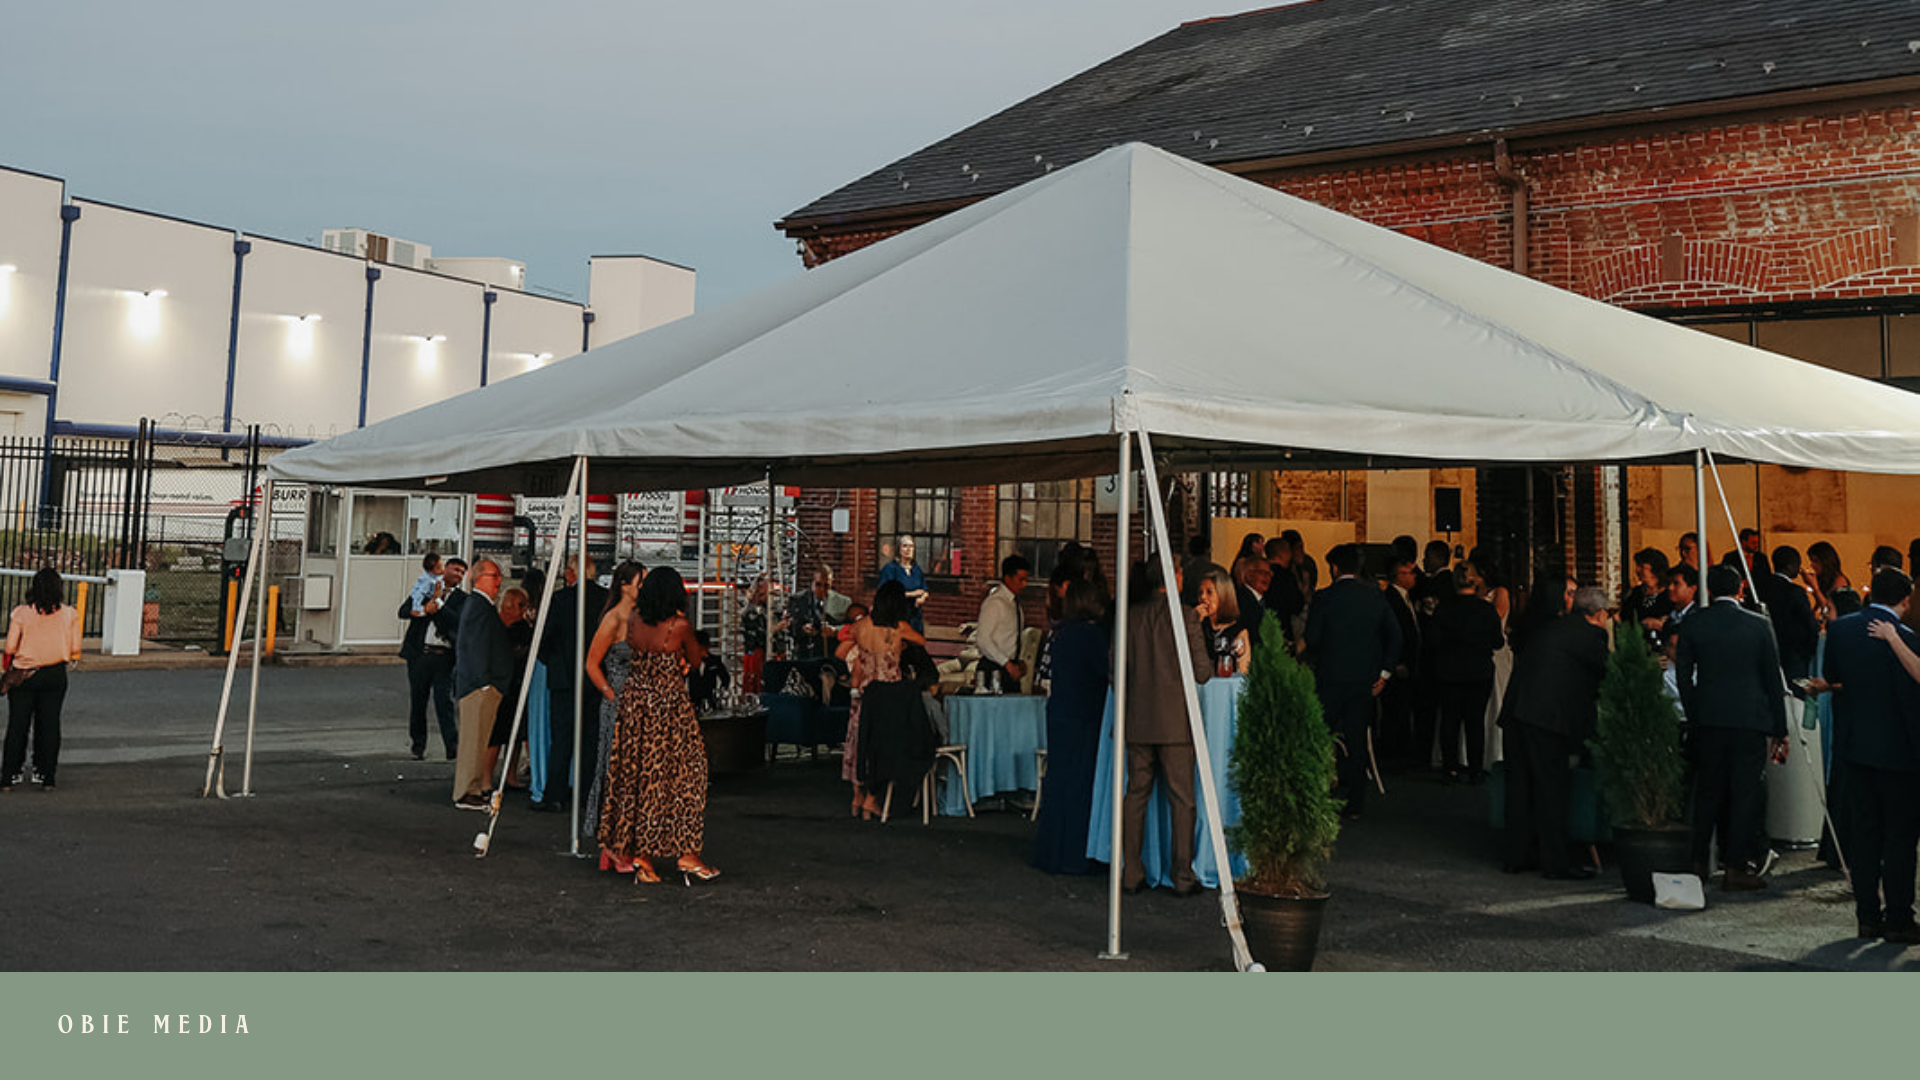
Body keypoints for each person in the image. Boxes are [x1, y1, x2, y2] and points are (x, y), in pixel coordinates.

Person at [598, 566, 720, 885]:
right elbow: (695, 660)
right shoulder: (678, 625)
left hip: (635, 705)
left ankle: (641, 852)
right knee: (688, 775)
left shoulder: (633, 621)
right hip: (668, 708)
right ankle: (685, 852)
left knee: (640, 779)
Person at [1816, 569, 1920, 942]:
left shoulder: (1840, 631)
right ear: (1904, 600)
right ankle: (1898, 917)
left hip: (1855, 749)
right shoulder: (1909, 639)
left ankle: (1866, 916)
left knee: (1864, 837)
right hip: (1900, 755)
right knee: (1899, 839)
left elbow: (1833, 676)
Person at [1675, 565, 1788, 891]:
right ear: (1740, 589)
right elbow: (1772, 680)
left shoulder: (1695, 622)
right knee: (1744, 794)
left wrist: (1695, 710)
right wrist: (1779, 729)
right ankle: (1736, 865)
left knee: (1707, 792)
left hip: (1709, 717)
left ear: (1708, 590)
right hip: (1750, 720)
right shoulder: (1758, 625)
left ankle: (1698, 861)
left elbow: (1684, 674)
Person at [1500, 587, 1612, 879]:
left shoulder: (1552, 627)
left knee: (1520, 786)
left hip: (1517, 711)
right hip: (1547, 718)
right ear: (1599, 614)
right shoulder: (1592, 636)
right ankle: (1555, 861)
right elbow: (1606, 676)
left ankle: (1516, 855)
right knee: (1551, 789)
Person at [1120, 559, 1213, 895]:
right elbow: (1202, 671)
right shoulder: (1186, 616)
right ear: (1173, 577)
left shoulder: (1130, 616)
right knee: (1182, 799)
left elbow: (1117, 673)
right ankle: (1182, 875)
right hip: (1176, 722)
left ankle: (1132, 871)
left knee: (1136, 795)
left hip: (1138, 718)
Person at [1303, 543, 1401, 820]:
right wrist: (1384, 673)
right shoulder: (1374, 597)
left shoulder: (1325, 597)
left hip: (1329, 679)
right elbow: (1395, 636)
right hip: (1364, 681)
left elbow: (1312, 638)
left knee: (1320, 738)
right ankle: (1355, 804)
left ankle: (1317, 797)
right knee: (1358, 742)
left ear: (1334, 568)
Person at [1032, 579, 1110, 875]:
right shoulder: (1092, 636)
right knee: (1080, 785)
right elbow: (1107, 670)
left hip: (1061, 713)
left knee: (1059, 782)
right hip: (1083, 715)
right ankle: (1076, 855)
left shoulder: (1062, 635)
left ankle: (1052, 852)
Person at [838, 581, 926, 820]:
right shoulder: (899, 628)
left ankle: (857, 796)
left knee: (858, 743)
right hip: (890, 695)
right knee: (883, 747)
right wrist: (902, 645)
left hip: (865, 692)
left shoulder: (860, 627)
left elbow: (842, 650)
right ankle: (872, 800)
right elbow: (922, 641)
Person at [535, 554, 608, 815]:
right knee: (591, 740)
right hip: (596, 679)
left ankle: (554, 794)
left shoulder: (560, 599)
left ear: (573, 573)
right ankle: (588, 795)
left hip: (564, 680)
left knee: (561, 739)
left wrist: (552, 662)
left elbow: (545, 638)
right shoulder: (605, 599)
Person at [580, 561, 645, 850]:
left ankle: (629, 833)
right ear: (625, 585)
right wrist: (609, 692)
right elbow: (591, 663)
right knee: (612, 765)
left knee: (635, 768)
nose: (643, 588)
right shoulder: (613, 619)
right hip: (618, 698)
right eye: (639, 582)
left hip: (639, 699)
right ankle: (608, 833)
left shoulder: (641, 616)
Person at [1, 568, 81, 792]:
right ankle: (46, 775)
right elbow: (75, 650)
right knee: (49, 725)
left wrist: (7, 669)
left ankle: (10, 775)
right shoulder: (70, 614)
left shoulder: (21, 613)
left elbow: (10, 647)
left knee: (18, 725)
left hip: (24, 673)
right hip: (55, 674)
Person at [1429, 566, 1505, 784]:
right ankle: (1475, 768)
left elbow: (1434, 640)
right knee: (1475, 722)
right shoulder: (1486, 610)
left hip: (1449, 670)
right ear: (1475, 582)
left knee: (1450, 720)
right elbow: (1497, 642)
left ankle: (1450, 767)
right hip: (1478, 671)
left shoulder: (1444, 610)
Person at [452, 559, 512, 811]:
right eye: (494, 575)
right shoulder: (478, 606)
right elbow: (475, 647)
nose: (498, 581)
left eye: (499, 576)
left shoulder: (480, 605)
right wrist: (484, 682)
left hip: (483, 684)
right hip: (479, 686)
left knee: (480, 739)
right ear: (479, 578)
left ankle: (473, 788)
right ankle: (466, 791)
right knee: (473, 741)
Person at [399, 556, 465, 761]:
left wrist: (438, 605)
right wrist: (424, 609)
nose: (458, 575)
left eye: (462, 572)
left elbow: (456, 622)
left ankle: (452, 745)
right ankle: (418, 744)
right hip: (420, 653)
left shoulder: (462, 599)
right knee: (418, 700)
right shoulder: (425, 587)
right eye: (455, 569)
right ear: (444, 570)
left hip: (444, 656)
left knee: (444, 702)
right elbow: (403, 611)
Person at [484, 587, 534, 792]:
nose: (524, 610)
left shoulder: (524, 628)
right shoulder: (494, 626)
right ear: (508, 605)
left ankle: (510, 775)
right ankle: (486, 778)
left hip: (517, 685)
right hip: (499, 684)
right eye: (521, 605)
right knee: (495, 735)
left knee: (515, 733)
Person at [1379, 557, 1422, 768]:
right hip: (1398, 664)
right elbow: (1393, 634)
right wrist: (1396, 662)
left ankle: (1399, 751)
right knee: (1395, 710)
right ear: (1400, 576)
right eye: (1410, 572)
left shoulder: (1405, 598)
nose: (1414, 577)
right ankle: (1393, 754)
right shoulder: (1392, 599)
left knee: (1401, 708)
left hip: (1407, 663)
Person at [1756, 546, 1818, 682]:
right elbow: (1809, 622)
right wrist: (1809, 650)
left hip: (1765, 650)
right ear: (1790, 566)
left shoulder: (1759, 588)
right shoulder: (1795, 591)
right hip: (1793, 654)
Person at [975, 554, 1031, 687]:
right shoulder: (995, 603)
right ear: (1008, 578)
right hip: (994, 666)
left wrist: (1018, 661)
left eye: (1026, 579)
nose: (1024, 584)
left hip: (1010, 666)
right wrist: (1006, 663)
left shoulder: (1014, 604)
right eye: (1020, 579)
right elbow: (983, 640)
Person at [1184, 560, 1249, 676]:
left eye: (1209, 592)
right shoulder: (1198, 625)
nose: (1203, 597)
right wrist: (1194, 623)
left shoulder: (1238, 629)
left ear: (1223, 594)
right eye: (1200, 593)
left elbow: (1243, 670)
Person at [1623, 548, 1674, 651]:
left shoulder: (1670, 593)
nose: (1637, 570)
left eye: (1642, 567)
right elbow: (1625, 618)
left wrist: (1661, 625)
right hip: (1638, 648)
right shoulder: (1635, 594)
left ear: (1655, 569)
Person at [877, 535, 929, 634]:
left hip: (915, 617)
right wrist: (913, 594)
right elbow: (887, 593)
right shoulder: (891, 569)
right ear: (899, 549)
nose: (908, 549)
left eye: (911, 546)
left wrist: (922, 597)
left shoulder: (916, 569)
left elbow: (924, 589)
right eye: (905, 546)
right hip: (897, 617)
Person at [785, 569, 836, 661]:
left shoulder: (841, 602)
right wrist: (803, 629)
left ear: (831, 584)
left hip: (830, 653)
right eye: (818, 584)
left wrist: (835, 630)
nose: (822, 589)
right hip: (805, 652)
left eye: (826, 586)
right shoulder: (797, 600)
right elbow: (789, 626)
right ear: (812, 583)